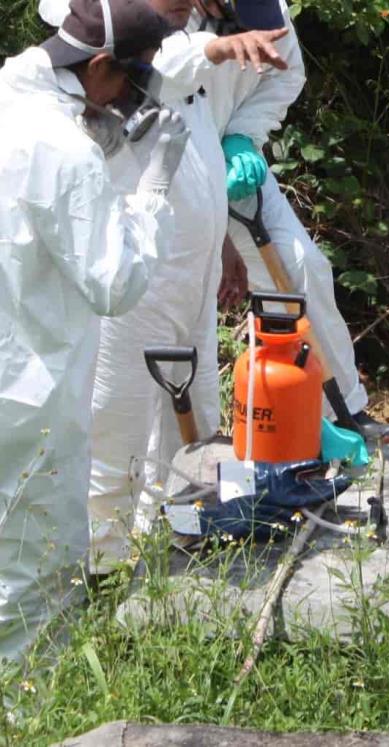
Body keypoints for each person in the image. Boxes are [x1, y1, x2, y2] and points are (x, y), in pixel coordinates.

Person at [38, 0, 291, 576]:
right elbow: (166, 70)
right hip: (135, 282)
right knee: (118, 428)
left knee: (195, 424)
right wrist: (218, 49)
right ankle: (100, 570)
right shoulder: (115, 46)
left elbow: (193, 145)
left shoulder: (182, 37)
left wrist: (222, 239)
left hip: (191, 273)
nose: (188, 11)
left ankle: (175, 555)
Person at [0, 0, 188, 658]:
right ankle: (29, 722)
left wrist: (97, 153)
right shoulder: (63, 150)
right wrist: (152, 189)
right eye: (133, 78)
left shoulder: (12, 96)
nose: (132, 96)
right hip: (29, 400)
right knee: (34, 575)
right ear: (101, 65)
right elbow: (114, 282)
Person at [187, 0, 389, 444]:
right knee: (181, 301)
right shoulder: (162, 14)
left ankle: (340, 413)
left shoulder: (265, 9)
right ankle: (188, 442)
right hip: (173, 170)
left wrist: (241, 135)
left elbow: (286, 73)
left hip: (232, 159)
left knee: (300, 264)